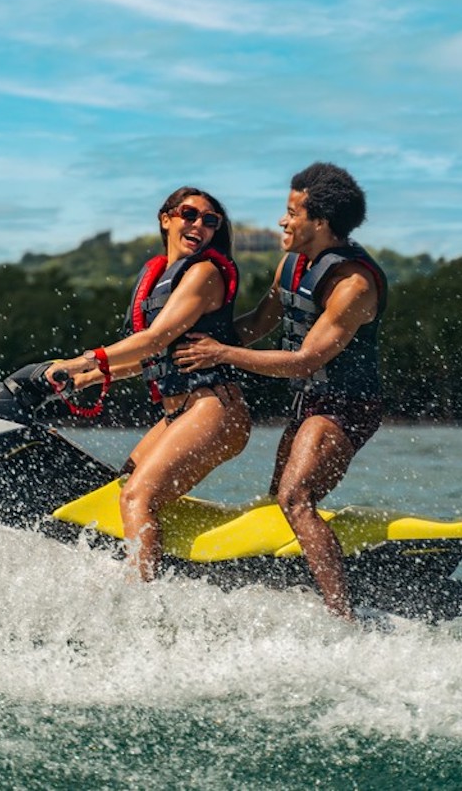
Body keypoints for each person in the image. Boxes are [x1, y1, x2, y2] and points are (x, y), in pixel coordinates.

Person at [174, 163, 386, 619]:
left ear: (320, 222)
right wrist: (185, 342)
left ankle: (344, 619)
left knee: (295, 497)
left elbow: (306, 360)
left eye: (292, 213)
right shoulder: (292, 264)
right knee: (279, 501)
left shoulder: (353, 284)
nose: (282, 221)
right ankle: (293, 583)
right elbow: (256, 324)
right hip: (308, 402)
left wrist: (221, 354)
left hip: (347, 406)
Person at [49, 186, 252, 582]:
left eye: (210, 221)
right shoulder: (157, 276)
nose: (199, 225)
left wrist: (79, 361)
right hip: (181, 413)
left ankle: (140, 598)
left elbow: (155, 340)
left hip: (215, 410)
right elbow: (151, 358)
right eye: (189, 215)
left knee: (137, 496)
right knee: (124, 485)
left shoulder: (204, 274)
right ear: (166, 219)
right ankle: (160, 569)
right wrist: (86, 377)